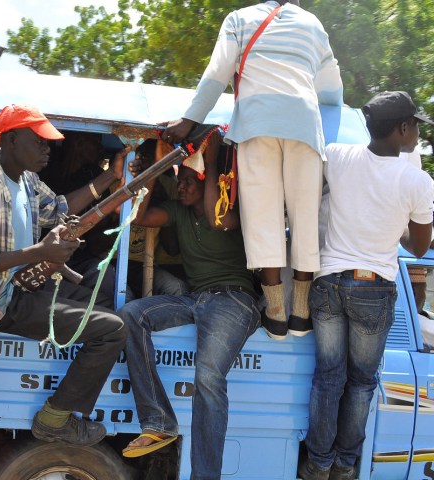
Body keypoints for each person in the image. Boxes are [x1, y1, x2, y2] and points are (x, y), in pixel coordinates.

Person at [0, 104, 128, 446]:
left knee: (103, 299)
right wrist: (40, 253)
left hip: (17, 289)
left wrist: (112, 176)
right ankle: (55, 417)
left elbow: (59, 209)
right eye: (40, 142)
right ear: (11, 140)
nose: (48, 149)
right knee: (113, 330)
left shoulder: (25, 180)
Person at [161, 0, 343, 340]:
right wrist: (325, 133)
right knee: (304, 215)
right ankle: (301, 313)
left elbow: (217, 74)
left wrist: (189, 120)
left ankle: (275, 314)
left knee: (263, 217)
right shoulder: (313, 24)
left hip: (257, 125)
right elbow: (332, 91)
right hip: (305, 127)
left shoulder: (238, 19)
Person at [298, 91, 434, 480]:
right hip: (373, 290)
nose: (417, 137)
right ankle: (343, 466)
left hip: (327, 283)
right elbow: (420, 246)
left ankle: (317, 464)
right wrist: (399, 229)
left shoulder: (338, 156)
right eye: (415, 128)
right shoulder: (417, 181)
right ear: (403, 128)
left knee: (327, 377)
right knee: (360, 383)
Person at [118, 128, 260, 479]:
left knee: (208, 377)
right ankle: (159, 421)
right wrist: (152, 170)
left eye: (188, 181)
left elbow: (215, 217)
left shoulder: (230, 211)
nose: (180, 187)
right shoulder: (177, 212)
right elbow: (138, 218)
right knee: (131, 315)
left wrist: (211, 162)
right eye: (179, 180)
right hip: (196, 299)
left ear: (206, 181)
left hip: (234, 299)